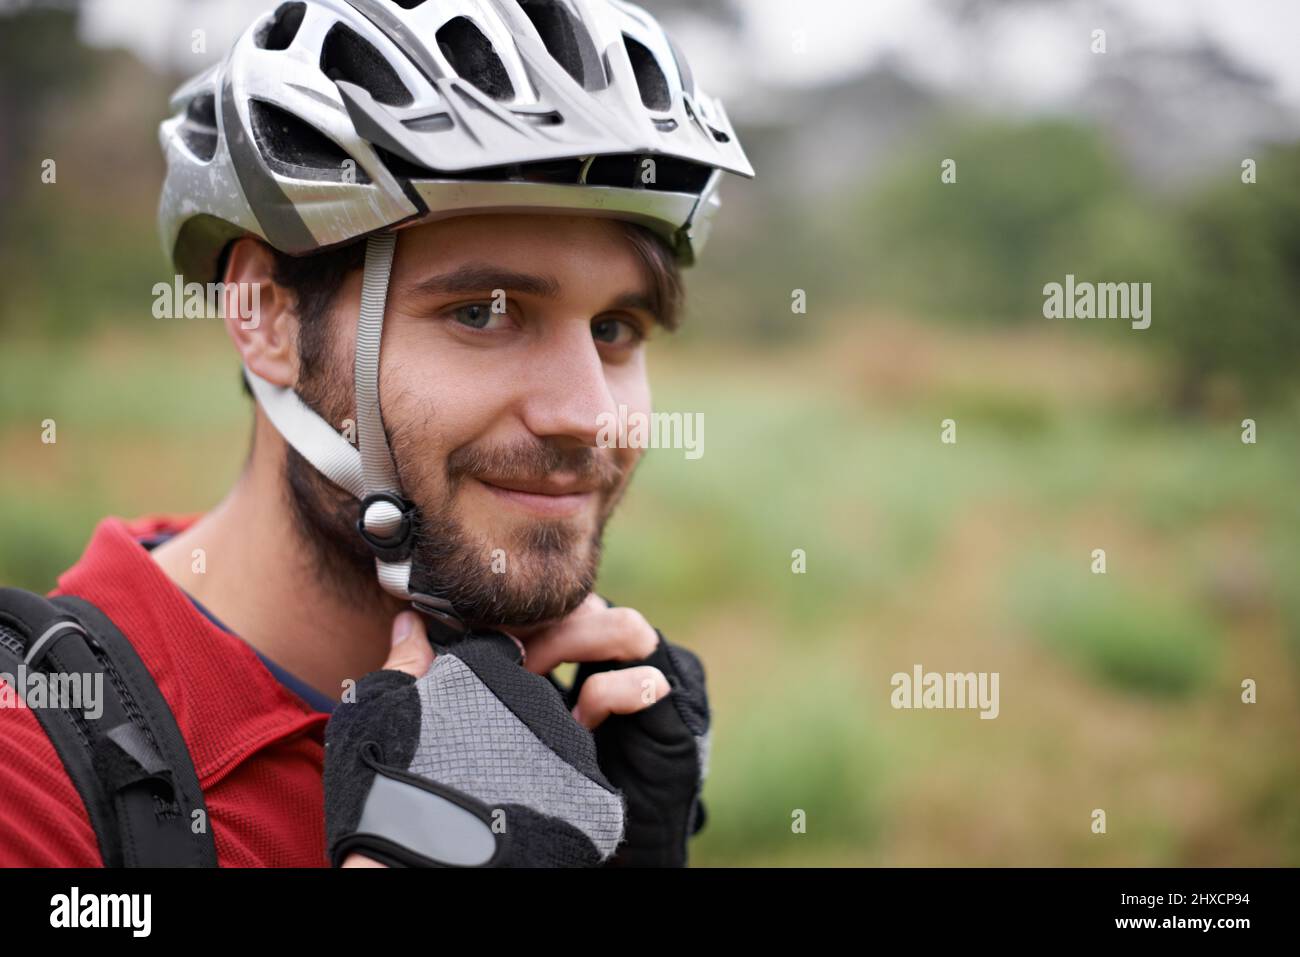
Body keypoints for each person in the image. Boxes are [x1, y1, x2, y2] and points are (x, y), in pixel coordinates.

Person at [0, 0, 751, 867]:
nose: (588, 415)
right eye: (483, 313)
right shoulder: (32, 771)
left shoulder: (554, 739)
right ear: (268, 315)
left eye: (615, 328)